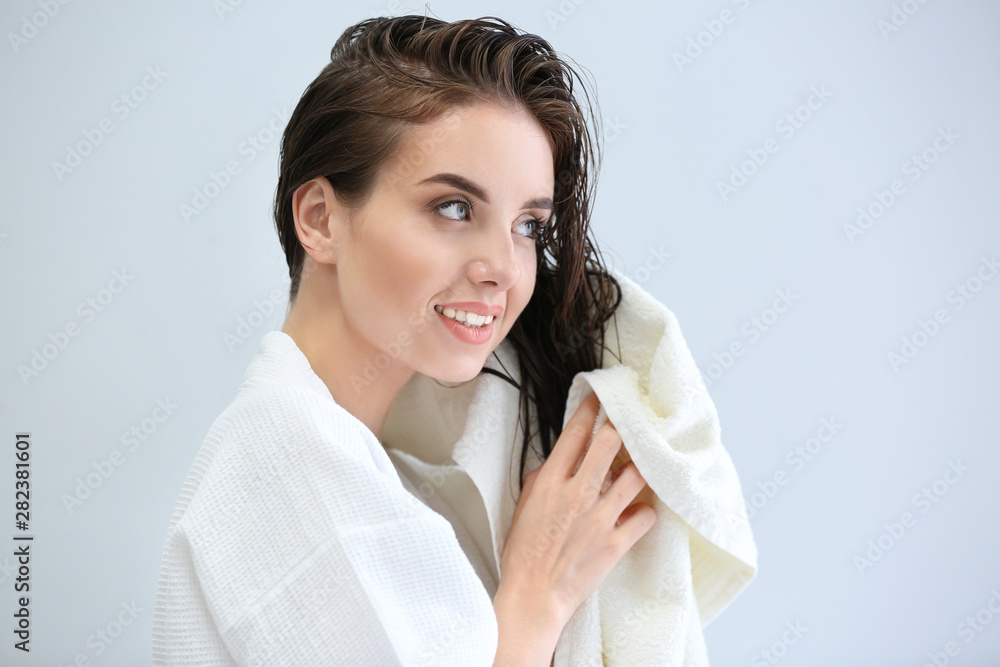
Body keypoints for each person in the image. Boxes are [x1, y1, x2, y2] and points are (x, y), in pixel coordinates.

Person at [152, 14, 731, 665]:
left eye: (528, 225)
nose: (505, 269)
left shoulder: (368, 466)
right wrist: (534, 600)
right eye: (454, 208)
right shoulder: (286, 450)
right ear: (320, 220)